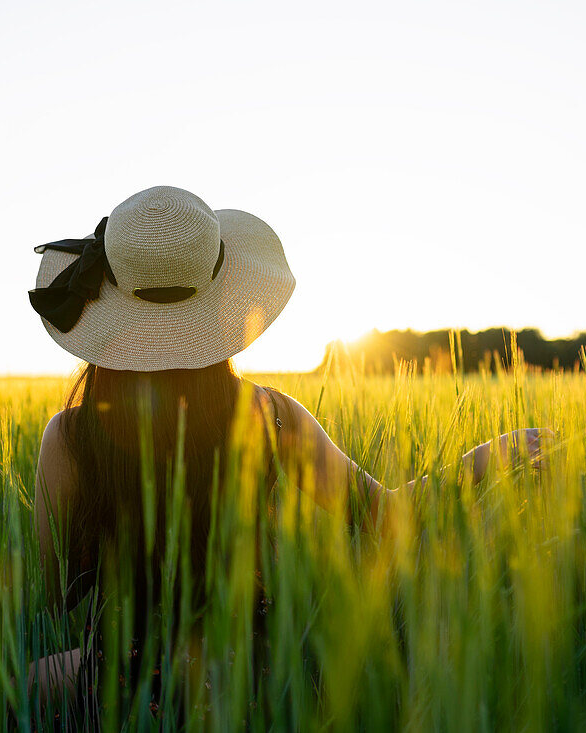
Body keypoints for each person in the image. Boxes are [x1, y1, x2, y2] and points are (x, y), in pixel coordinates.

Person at [27, 186, 551, 708]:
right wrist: (487, 457)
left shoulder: (69, 438)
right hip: (253, 677)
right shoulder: (272, 418)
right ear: (217, 306)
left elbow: (52, 599)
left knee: (17, 683)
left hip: (125, 680)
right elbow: (385, 514)